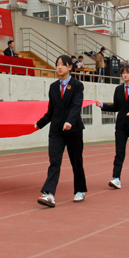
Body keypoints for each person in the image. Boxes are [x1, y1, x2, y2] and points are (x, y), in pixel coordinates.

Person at [35, 55, 86, 207]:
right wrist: (39, 123)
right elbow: (51, 111)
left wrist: (70, 121)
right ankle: (49, 194)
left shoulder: (77, 85)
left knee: (76, 162)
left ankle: (80, 190)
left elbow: (77, 106)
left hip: (73, 129)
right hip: (56, 130)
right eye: (57, 64)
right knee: (54, 161)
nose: (59, 67)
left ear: (70, 67)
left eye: (62, 65)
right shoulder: (53, 87)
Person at [98, 65, 129, 188]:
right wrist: (103, 105)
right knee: (119, 151)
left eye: (127, 73)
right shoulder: (118, 89)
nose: (125, 75)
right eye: (123, 73)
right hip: (121, 125)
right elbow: (116, 107)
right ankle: (116, 178)